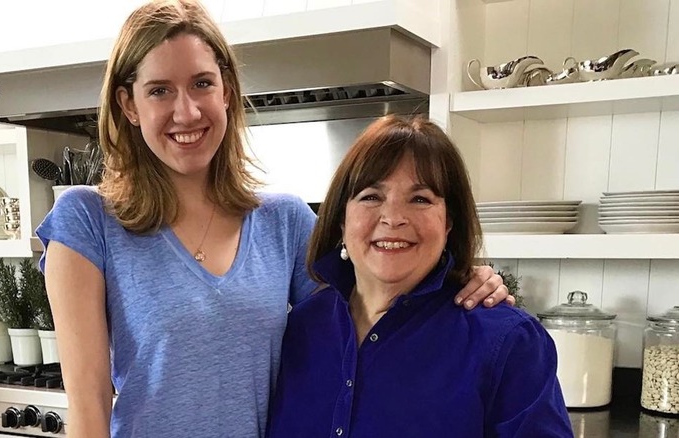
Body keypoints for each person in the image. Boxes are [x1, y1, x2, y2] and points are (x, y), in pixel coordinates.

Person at [35, 1, 512, 437]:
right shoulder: (87, 219)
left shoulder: (284, 221)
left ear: (226, 91)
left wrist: (462, 280)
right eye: (160, 90)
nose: (187, 110)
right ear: (128, 105)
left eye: (202, 83)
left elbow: (374, 306)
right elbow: (90, 404)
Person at [266, 115, 573, 438]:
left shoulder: (509, 342)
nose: (394, 218)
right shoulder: (300, 328)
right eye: (371, 196)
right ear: (342, 218)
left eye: (420, 199)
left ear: (449, 222)